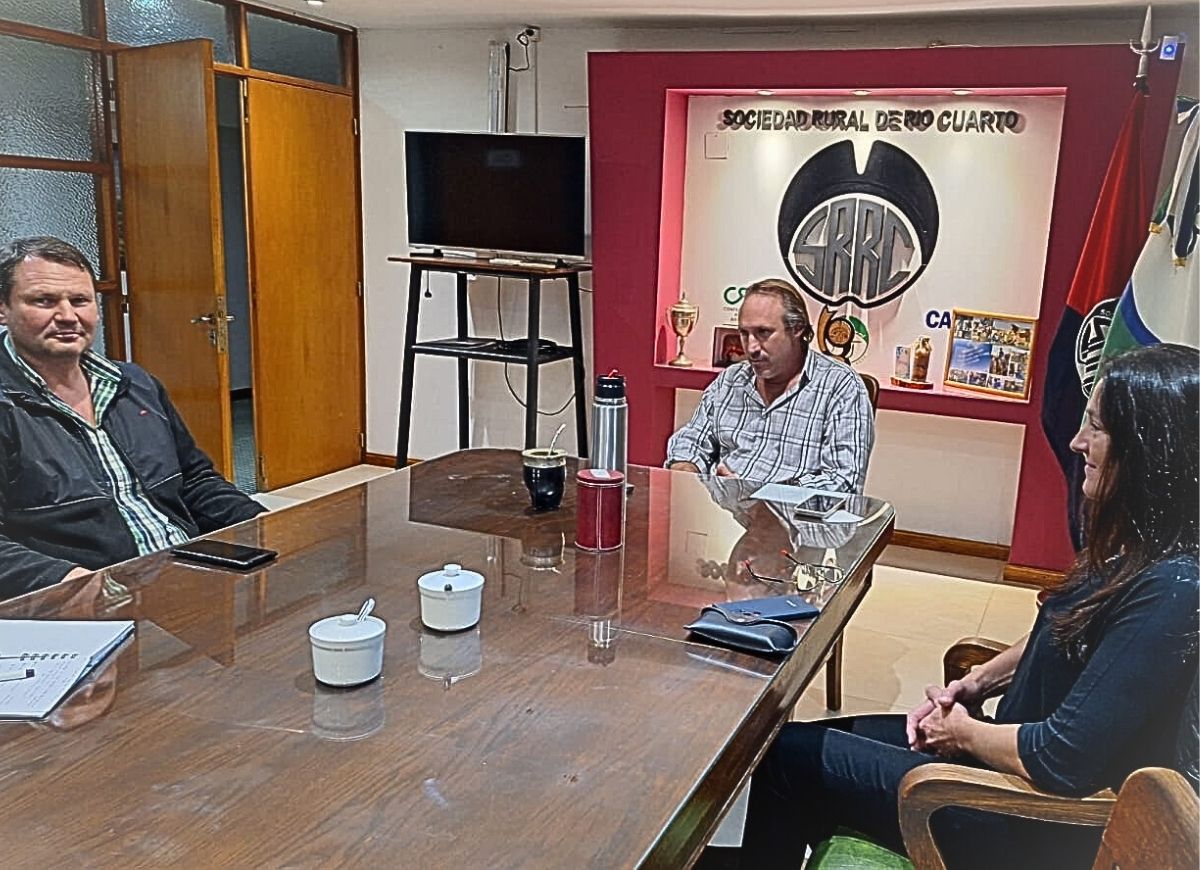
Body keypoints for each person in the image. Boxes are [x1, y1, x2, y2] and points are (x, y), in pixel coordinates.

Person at [735, 343, 1199, 869]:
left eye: (1096, 427)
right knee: (790, 741)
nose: (1076, 442)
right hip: (1005, 762)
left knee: (785, 759)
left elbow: (1062, 758)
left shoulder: (1174, 588)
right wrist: (977, 683)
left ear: (1149, 449)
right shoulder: (1138, 548)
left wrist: (962, 734)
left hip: (1022, 819)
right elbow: (1064, 629)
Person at [0, 236, 265, 600]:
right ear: (3, 309)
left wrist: (260, 523)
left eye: (80, 300)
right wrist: (73, 583)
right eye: (43, 301)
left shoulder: (135, 383)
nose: (67, 316)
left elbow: (194, 479)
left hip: (187, 575)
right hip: (82, 600)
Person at [665, 278, 874, 492]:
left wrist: (765, 496)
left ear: (797, 329)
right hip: (721, 507)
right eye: (744, 334)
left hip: (791, 511)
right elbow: (692, 439)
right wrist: (685, 471)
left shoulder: (841, 387)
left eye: (764, 333)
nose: (751, 348)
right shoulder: (731, 380)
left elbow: (843, 483)